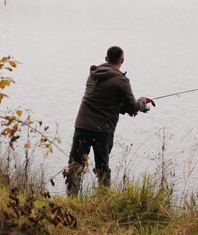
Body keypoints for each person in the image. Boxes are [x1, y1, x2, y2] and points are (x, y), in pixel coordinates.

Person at [64, 46, 154, 196]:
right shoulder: (121, 80)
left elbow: (106, 100)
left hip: (82, 125)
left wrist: (124, 108)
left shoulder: (93, 75)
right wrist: (142, 102)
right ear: (122, 60)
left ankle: (72, 199)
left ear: (106, 59)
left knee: (75, 165)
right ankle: (103, 199)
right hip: (102, 130)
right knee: (102, 167)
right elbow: (131, 107)